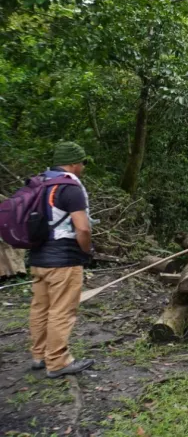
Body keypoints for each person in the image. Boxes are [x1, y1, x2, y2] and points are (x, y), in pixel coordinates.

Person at [27, 141, 96, 378]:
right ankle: (57, 361)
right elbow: (83, 229)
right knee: (62, 311)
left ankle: (39, 355)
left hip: (38, 258)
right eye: (83, 163)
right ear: (74, 164)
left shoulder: (40, 184)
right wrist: (86, 251)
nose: (83, 168)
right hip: (63, 260)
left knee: (40, 307)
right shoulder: (70, 189)